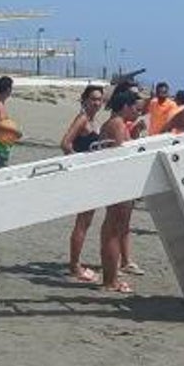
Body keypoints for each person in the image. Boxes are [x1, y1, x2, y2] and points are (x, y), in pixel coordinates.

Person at [98, 90, 143, 293]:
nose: (137, 111)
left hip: (115, 182)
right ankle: (110, 281)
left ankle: (111, 278)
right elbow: (119, 155)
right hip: (117, 183)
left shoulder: (117, 124)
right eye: (135, 107)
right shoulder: (116, 124)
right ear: (125, 106)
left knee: (113, 229)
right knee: (113, 230)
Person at [60, 84, 105, 282]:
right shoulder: (83, 119)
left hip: (93, 176)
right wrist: (79, 162)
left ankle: (75, 263)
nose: (96, 102)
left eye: (99, 99)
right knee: (82, 222)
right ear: (84, 100)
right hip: (85, 176)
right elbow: (65, 143)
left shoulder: (93, 120)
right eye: (93, 99)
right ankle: (74, 265)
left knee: (86, 222)